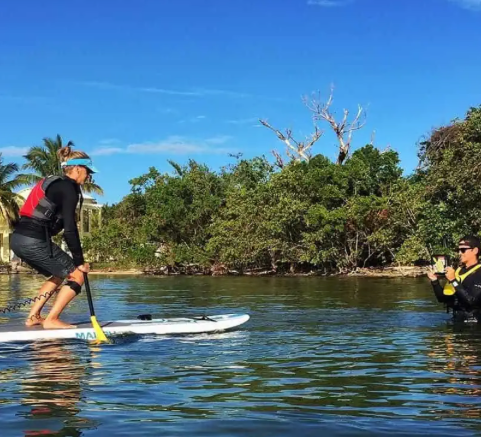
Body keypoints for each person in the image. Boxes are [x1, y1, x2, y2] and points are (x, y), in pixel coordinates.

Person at [11, 146, 98, 329]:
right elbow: (70, 229)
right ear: (77, 169)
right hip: (34, 240)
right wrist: (79, 261)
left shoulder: (55, 183)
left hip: (18, 239)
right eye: (88, 172)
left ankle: (33, 317)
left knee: (58, 274)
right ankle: (52, 319)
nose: (89, 176)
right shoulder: (69, 188)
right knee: (77, 275)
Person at [428, 236, 481, 323]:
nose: (459, 253)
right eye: (458, 250)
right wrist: (434, 281)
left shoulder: (479, 273)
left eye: (463, 250)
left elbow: (471, 302)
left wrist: (453, 280)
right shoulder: (457, 270)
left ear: (475, 250)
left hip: (473, 323)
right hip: (457, 320)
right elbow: (443, 299)